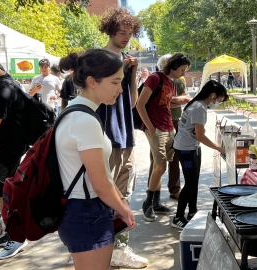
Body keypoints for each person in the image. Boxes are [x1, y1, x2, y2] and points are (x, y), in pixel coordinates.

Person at [54, 49, 135, 270]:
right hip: (86, 212)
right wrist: (124, 210)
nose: (120, 89)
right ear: (92, 81)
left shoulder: (77, 112)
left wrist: (118, 201)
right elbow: (100, 183)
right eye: (115, 82)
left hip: (84, 210)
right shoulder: (85, 120)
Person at [97, 7, 148, 268]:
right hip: (106, 137)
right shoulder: (99, 59)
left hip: (126, 135)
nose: (126, 36)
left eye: (129, 32)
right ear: (110, 29)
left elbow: (131, 104)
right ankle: (102, 248)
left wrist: (133, 74)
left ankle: (120, 248)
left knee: (124, 192)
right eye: (121, 32)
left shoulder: (127, 60)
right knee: (106, 194)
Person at [136, 53, 191, 221]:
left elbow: (166, 104)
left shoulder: (172, 83)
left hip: (168, 128)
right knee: (159, 166)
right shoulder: (154, 78)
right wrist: (150, 127)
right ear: (173, 66)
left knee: (163, 167)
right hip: (156, 128)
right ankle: (148, 203)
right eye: (182, 70)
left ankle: (157, 202)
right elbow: (140, 104)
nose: (183, 73)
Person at [171, 80, 228, 228]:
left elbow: (197, 133)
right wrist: (220, 149)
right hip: (185, 149)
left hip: (192, 147)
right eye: (218, 100)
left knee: (194, 180)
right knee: (190, 183)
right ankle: (178, 217)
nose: (217, 104)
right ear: (213, 95)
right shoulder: (199, 108)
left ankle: (192, 212)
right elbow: (201, 136)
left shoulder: (198, 104)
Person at [0, 62, 29, 259]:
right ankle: (10, 231)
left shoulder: (3, 88)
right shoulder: (7, 84)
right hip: (6, 149)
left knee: (5, 193)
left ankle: (17, 236)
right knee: (1, 192)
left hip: (6, 151)